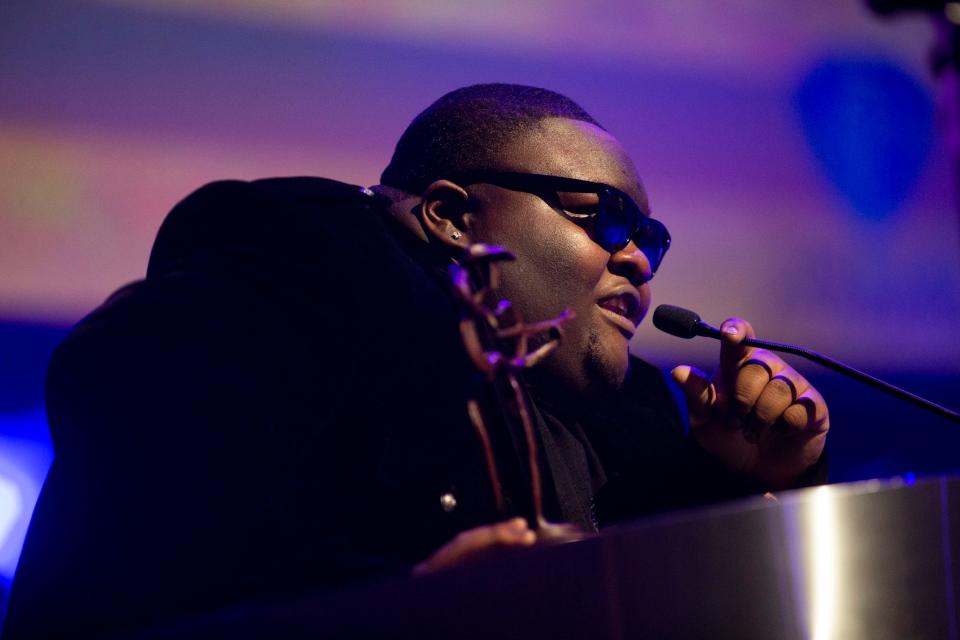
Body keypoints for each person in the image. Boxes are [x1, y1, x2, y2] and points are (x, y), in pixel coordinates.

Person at [3, 84, 828, 638]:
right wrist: (402, 602)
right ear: (450, 217)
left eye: (651, 238)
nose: (639, 261)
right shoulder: (305, 271)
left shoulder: (636, 419)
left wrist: (728, 478)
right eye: (602, 219)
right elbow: (135, 505)